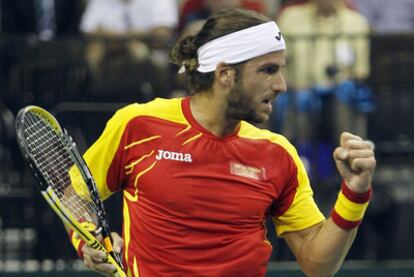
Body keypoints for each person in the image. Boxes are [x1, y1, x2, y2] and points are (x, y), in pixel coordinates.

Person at [71, 8, 376, 276]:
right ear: (225, 74)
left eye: (282, 69)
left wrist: (354, 192)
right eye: (268, 70)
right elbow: (75, 196)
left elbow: (317, 264)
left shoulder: (278, 154)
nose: (282, 85)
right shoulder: (137, 125)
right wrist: (86, 239)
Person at [275, 0, 372, 179]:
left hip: (339, 93)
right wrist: (292, 85)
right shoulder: (290, 18)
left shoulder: (356, 22)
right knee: (299, 105)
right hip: (298, 91)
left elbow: (360, 71)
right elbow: (278, 62)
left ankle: (350, 172)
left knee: (344, 105)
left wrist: (341, 84)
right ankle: (297, 172)